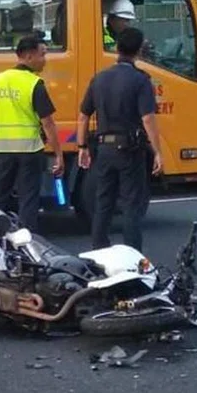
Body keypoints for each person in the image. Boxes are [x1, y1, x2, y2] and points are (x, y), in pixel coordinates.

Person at [77, 27, 163, 252]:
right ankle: (132, 256)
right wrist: (158, 151)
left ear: (117, 48)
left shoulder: (100, 78)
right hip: (130, 150)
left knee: (103, 202)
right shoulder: (140, 80)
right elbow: (147, 119)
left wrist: (82, 146)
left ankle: (99, 250)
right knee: (131, 205)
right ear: (139, 51)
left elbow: (83, 115)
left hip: (103, 149)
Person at [0, 36, 64, 232]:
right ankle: (27, 247)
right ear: (29, 56)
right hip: (29, 150)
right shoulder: (34, 83)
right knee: (28, 201)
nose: (45, 59)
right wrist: (58, 155)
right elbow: (48, 123)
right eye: (42, 54)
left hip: (1, 149)